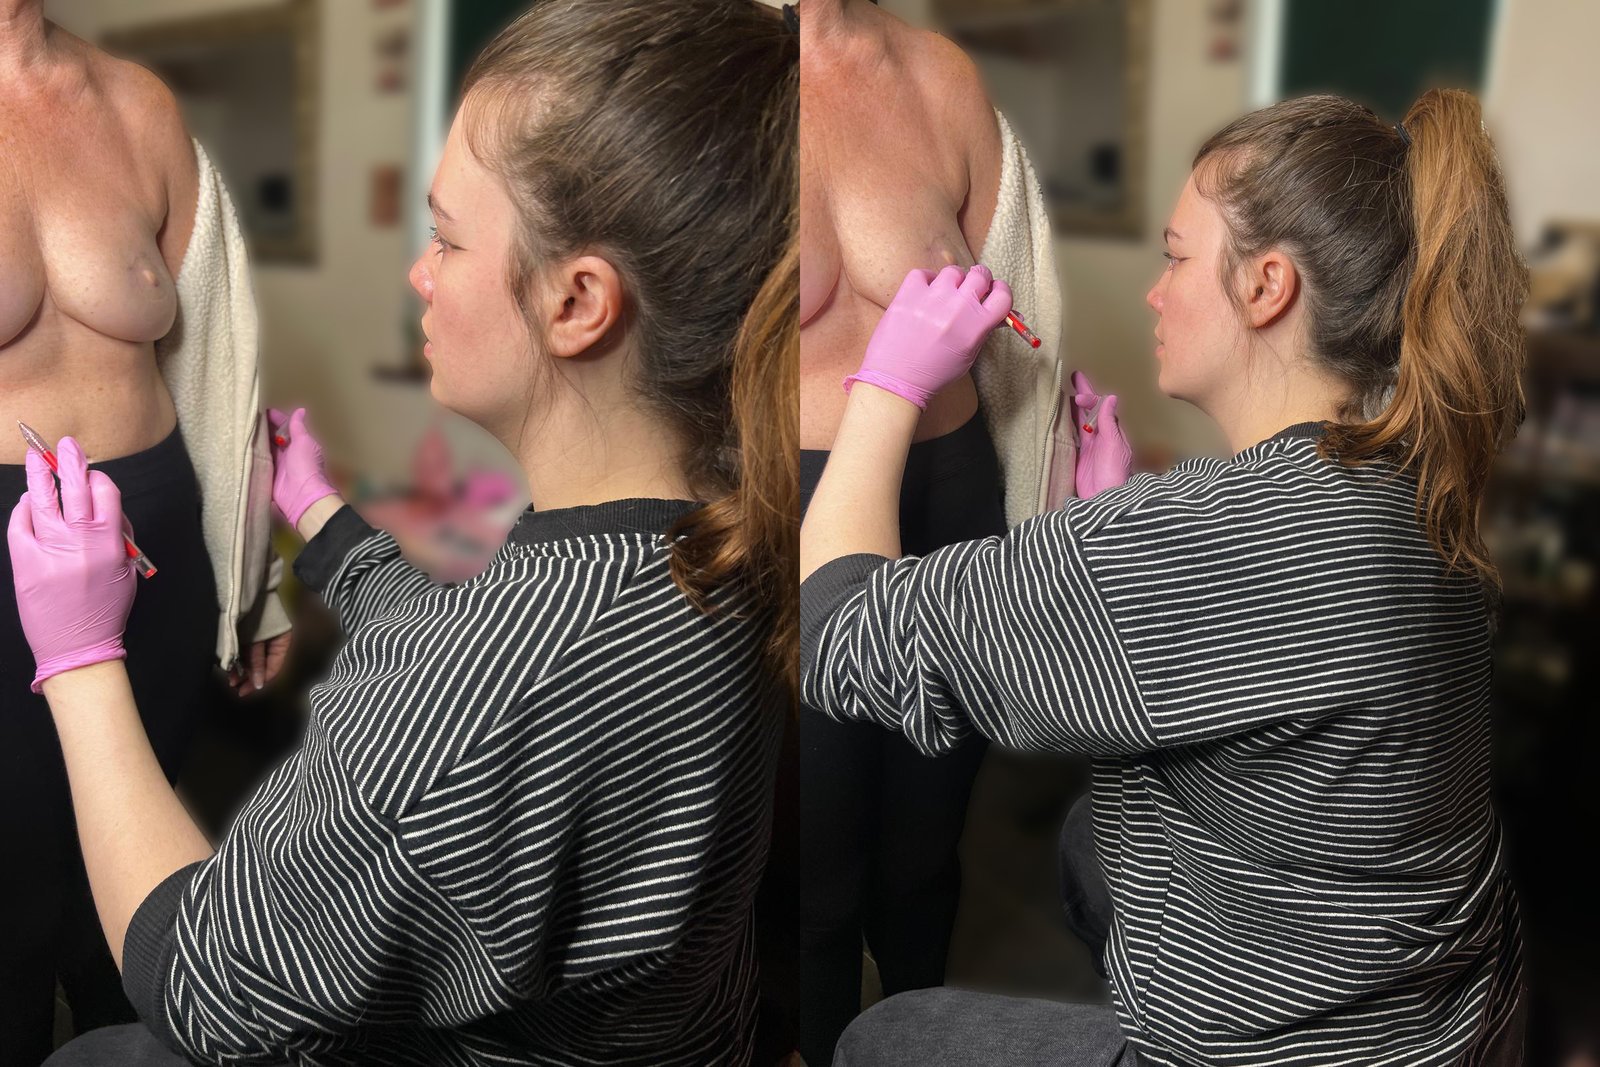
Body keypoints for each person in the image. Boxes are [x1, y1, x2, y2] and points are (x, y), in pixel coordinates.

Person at [11, 1, 796, 1064]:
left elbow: (203, 987)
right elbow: (471, 649)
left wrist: (77, 656)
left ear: (577, 302)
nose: (419, 273)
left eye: (446, 239)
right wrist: (325, 519)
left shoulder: (476, 695)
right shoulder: (712, 543)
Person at [800, 89, 1528, 1066]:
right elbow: (1229, 610)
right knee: (1086, 841)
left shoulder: (1203, 537)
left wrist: (887, 381)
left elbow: (837, 628)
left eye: (1176, 257)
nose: (1154, 291)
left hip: (1305, 1053)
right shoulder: (1409, 475)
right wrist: (1106, 526)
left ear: (1266, 285)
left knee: (879, 1034)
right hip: (1443, 1009)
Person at [795, 1, 1088, 1057]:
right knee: (812, 873)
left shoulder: (936, 74)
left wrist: (1061, 473)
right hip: (793, 507)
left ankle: (915, 1036)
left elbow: (1021, 319)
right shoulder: (694, 74)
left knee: (924, 852)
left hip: (953, 491)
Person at [0, 5, 289, 1062]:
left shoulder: (134, 103)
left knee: (134, 859)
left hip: (156, 540)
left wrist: (255, 581)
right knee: (10, 891)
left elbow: (217, 357)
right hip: (10, 563)